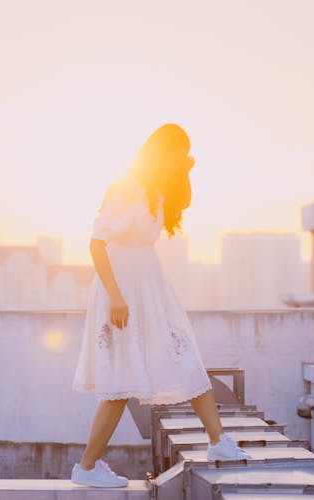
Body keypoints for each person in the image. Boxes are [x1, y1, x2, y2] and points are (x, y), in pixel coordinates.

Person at [70, 124, 251, 488]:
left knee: (187, 358)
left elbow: (183, 201)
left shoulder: (155, 193)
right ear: (160, 154)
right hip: (122, 292)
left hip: (150, 289)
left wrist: (186, 168)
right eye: (176, 155)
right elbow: (95, 244)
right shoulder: (126, 187)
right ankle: (87, 467)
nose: (178, 162)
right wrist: (117, 296)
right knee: (120, 383)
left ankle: (218, 442)